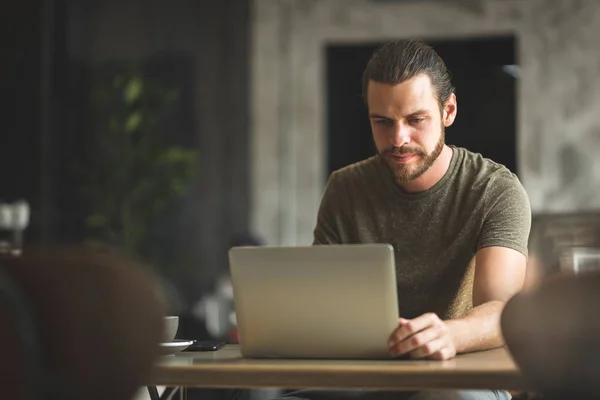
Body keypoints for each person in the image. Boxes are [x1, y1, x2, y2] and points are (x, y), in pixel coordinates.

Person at [281, 39, 531, 400]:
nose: (398, 139)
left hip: (460, 376)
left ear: (449, 111)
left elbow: (502, 310)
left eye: (416, 120)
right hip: (368, 377)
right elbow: (324, 302)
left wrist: (447, 334)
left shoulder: (494, 190)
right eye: (382, 122)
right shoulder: (345, 188)